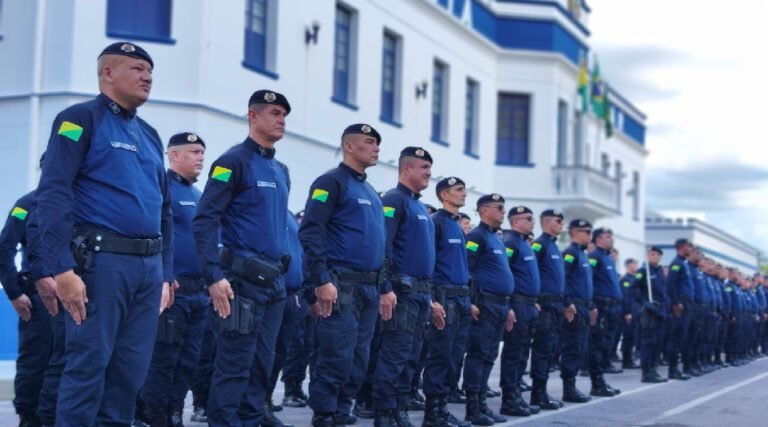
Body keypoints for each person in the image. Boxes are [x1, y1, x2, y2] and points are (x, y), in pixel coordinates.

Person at [29, 42, 174, 426]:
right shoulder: (79, 119)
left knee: (129, 374)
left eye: (150, 71)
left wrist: (165, 274)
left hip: (148, 271)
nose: (147, 77)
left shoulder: (150, 135)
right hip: (102, 265)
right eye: (137, 69)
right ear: (108, 73)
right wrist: (62, 268)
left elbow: (164, 209)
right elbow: (54, 193)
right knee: (88, 367)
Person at [193, 89, 291, 426]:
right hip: (242, 282)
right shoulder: (231, 163)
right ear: (253, 116)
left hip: (274, 283)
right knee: (234, 364)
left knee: (263, 364)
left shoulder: (280, 170)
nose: (281, 120)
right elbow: (205, 220)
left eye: (284, 115)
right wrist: (213, 275)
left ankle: (251, 420)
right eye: (274, 113)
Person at [298, 124, 386, 427]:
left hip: (369, 288)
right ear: (349, 146)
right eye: (369, 142)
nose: (376, 148)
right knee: (336, 354)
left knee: (359, 357)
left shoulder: (371, 192)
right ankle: (325, 413)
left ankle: (342, 409)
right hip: (341, 285)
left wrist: (384, 285)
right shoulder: (331, 182)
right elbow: (311, 231)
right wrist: (321, 279)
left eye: (377, 143)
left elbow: (381, 245)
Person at [137, 132, 209, 427]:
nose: (201, 157)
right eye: (194, 151)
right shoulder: (161, 187)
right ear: (174, 155)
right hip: (172, 291)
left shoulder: (198, 195)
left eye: (202, 152)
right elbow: (154, 233)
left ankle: (175, 413)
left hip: (199, 293)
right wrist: (163, 278)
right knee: (164, 359)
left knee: (189, 360)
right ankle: (154, 416)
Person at [372, 147, 435, 427]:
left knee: (412, 355)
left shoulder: (419, 206)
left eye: (430, 168)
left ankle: (400, 407)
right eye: (424, 167)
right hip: (402, 292)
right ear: (407, 168)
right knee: (395, 354)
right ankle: (384, 412)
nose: (429, 173)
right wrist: (386, 287)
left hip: (421, 292)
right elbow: (383, 246)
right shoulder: (394, 200)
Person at [422, 177, 472, 427]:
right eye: (459, 190)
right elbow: (427, 263)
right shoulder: (437, 223)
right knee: (440, 357)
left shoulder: (455, 224)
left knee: (453, 357)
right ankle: (433, 414)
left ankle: (442, 409)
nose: (464, 194)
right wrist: (431, 300)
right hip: (445, 298)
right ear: (444, 195)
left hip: (461, 299)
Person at [0, 188, 53, 427]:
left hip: (75, 297)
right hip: (37, 300)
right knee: (35, 360)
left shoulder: (83, 201)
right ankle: (29, 417)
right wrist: (14, 292)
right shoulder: (26, 205)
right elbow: (5, 248)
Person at [462, 194, 515, 426]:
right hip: (484, 304)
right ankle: (473, 408)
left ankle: (482, 404)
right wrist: (470, 301)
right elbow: (466, 269)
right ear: (484, 210)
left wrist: (508, 306)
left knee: (490, 355)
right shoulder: (476, 236)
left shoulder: (497, 238)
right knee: (479, 355)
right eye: (499, 208)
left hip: (500, 304)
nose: (503, 212)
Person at [500, 206, 541, 417]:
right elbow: (505, 274)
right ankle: (509, 399)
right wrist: (509, 306)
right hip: (517, 304)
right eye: (528, 218)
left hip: (529, 304)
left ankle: (517, 395)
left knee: (523, 352)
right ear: (516, 221)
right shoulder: (511, 244)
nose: (533, 222)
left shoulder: (525, 244)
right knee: (514, 353)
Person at [528, 209, 566, 411]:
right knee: (542, 350)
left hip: (556, 305)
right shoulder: (539, 245)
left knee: (550, 350)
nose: (561, 224)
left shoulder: (554, 245)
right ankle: (537, 394)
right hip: (545, 305)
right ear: (547, 223)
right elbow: (530, 273)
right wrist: (534, 298)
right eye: (558, 221)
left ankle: (542, 391)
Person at [559, 219, 594, 404]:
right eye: (585, 232)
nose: (589, 235)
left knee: (580, 347)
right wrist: (567, 302)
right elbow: (562, 278)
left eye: (590, 232)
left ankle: (572, 386)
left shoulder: (582, 253)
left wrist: (592, 306)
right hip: (574, 307)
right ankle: (568, 389)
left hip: (584, 306)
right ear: (575, 233)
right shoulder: (571, 253)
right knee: (572, 347)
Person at [587, 228, 622, 397]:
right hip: (600, 306)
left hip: (611, 308)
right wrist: (592, 305)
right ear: (598, 239)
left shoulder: (608, 257)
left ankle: (601, 380)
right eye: (608, 236)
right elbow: (589, 281)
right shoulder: (595, 257)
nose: (611, 239)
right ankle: (597, 383)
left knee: (606, 344)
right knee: (597, 345)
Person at [632, 247, 668, 383]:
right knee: (648, 342)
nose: (655, 257)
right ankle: (646, 372)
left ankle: (653, 369)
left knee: (657, 343)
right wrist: (645, 303)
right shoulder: (643, 271)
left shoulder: (659, 271)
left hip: (660, 311)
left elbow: (663, 292)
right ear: (647, 256)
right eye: (653, 254)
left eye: (658, 254)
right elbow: (633, 288)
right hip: (649, 312)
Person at [665, 238, 695, 380]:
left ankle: (677, 369)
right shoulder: (676, 264)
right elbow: (670, 284)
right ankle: (672, 370)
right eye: (689, 246)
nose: (691, 249)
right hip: (680, 305)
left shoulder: (684, 263)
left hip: (687, 304)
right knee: (676, 338)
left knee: (682, 337)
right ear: (682, 247)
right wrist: (676, 303)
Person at [618, 259, 640, 370]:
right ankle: (626, 361)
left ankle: (629, 359)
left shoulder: (634, 279)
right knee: (628, 336)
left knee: (633, 336)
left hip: (635, 311)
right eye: (635, 264)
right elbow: (625, 297)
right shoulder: (625, 280)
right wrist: (627, 312)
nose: (636, 266)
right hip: (629, 312)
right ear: (629, 265)